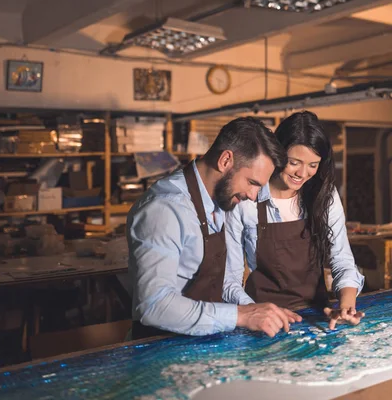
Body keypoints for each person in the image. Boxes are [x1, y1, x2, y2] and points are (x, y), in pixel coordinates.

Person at [127, 116, 303, 340]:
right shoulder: (165, 209)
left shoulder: (223, 202)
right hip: (159, 348)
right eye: (252, 183)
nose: (253, 196)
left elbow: (226, 283)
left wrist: (261, 312)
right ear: (225, 160)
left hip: (201, 345)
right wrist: (241, 316)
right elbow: (154, 306)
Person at [223, 111, 365, 330]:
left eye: (313, 165)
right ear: (277, 153)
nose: (302, 173)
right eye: (294, 162)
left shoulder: (324, 196)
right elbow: (230, 280)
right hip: (263, 322)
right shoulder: (246, 198)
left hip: (315, 316)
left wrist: (346, 304)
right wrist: (255, 313)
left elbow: (342, 260)